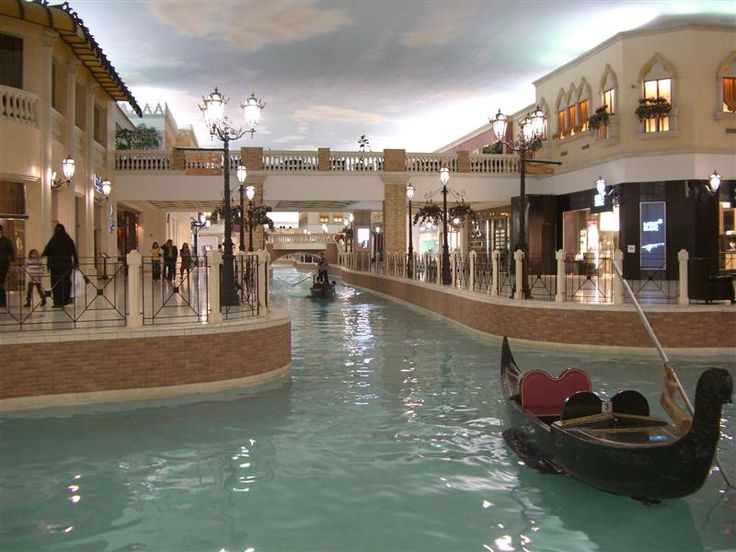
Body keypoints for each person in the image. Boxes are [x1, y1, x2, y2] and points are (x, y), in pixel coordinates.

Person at [42, 223, 78, 308]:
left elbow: (73, 252)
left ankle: (64, 300)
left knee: (64, 284)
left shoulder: (67, 240)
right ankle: (58, 302)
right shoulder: (54, 240)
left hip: (64, 266)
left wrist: (76, 263)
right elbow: (47, 250)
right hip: (56, 266)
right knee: (56, 284)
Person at [0, 224, 15, 308]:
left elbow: (11, 252)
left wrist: (12, 264)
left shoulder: (6, 241)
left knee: (1, 284)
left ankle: (3, 302)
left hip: (3, 265)